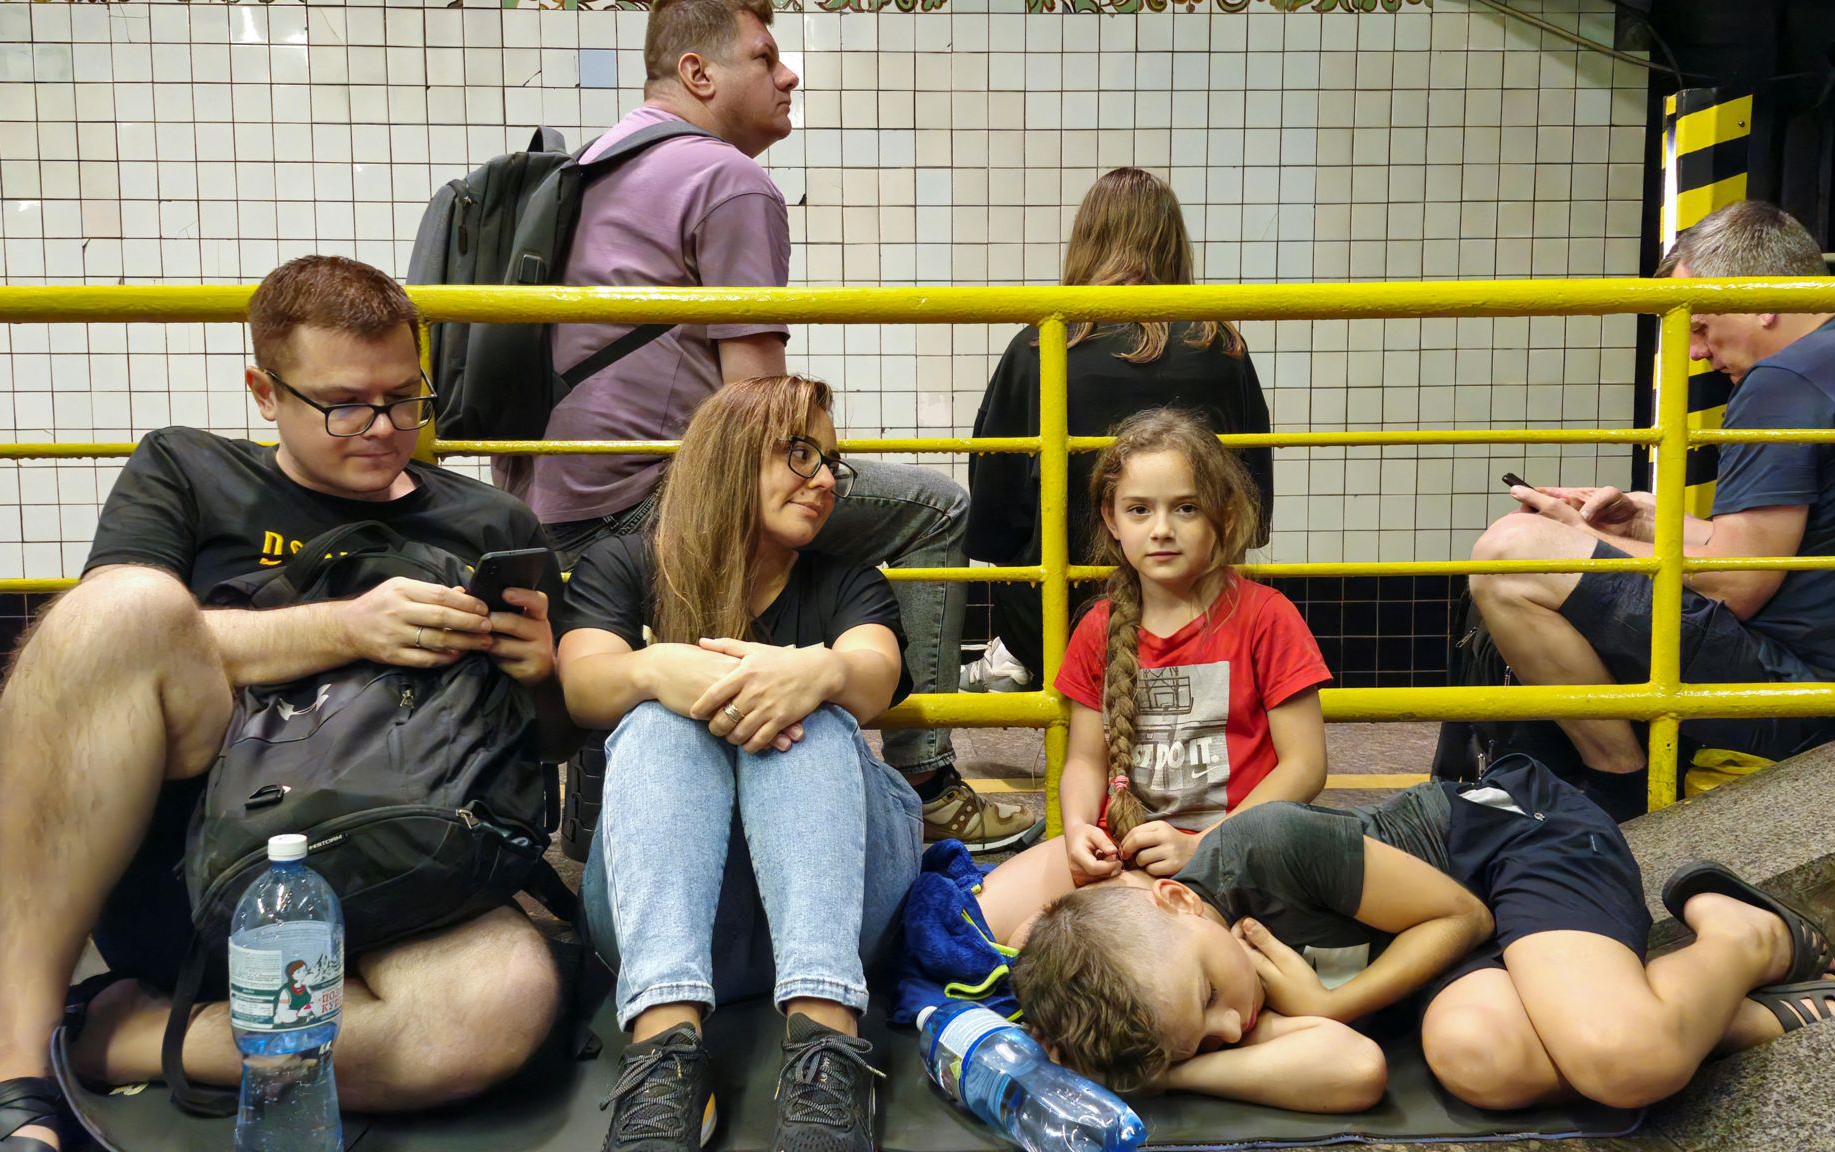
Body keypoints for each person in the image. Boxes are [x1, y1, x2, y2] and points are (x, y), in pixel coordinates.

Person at [0, 257, 572, 1150]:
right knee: (124, 605)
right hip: (196, 869)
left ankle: (102, 1037)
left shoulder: (491, 524)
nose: (384, 427)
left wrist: (539, 676)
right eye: (345, 403)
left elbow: (543, 750)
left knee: (499, 1008)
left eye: (405, 396)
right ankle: (9, 1062)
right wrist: (351, 628)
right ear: (264, 392)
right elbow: (105, 646)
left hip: (407, 875)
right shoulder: (190, 472)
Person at [496, 0, 1029, 852]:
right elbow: (761, 417)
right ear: (698, 75)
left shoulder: (593, 164)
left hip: (548, 502)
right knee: (934, 508)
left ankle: (610, 814)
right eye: (765, 57)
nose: (789, 76)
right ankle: (924, 777)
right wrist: (818, 469)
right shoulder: (728, 178)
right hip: (646, 498)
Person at [1005, 754, 1835, 1111]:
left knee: (1625, 1061)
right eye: (1200, 1040)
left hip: (1512, 849)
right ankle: (1731, 1018)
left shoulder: (1259, 849)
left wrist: (1334, 1001)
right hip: (1462, 957)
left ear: (1176, 901)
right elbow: (1352, 1070)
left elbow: (1458, 915)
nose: (1229, 1026)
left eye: (1206, 1006)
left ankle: (1739, 937)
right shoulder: (1198, 988)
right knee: (1476, 1058)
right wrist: (1174, 1059)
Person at [557, 374, 923, 1152]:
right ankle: (664, 1055)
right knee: (658, 723)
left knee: (816, 720)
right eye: (799, 453)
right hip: (671, 925)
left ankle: (827, 1041)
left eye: (830, 460)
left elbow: (878, 669)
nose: (825, 478)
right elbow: (584, 681)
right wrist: (659, 672)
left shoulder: (846, 581)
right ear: (728, 456)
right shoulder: (626, 564)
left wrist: (816, 673)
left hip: (832, 916)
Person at [1470, 200, 1835, 819]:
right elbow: (1789, 543)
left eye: (1700, 324)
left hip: (1808, 698)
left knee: (1510, 554)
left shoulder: (1784, 382)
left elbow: (1740, 583)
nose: (1696, 352)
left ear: (1758, 301)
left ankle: (1619, 785)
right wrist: (1641, 521)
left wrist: (1571, 538)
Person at [970, 409, 1330, 942]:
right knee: (975, 924)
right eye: (1139, 510)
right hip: (1125, 851)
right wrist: (1077, 831)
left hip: (1236, 854)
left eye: (1185, 508)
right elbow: (1085, 762)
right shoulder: (1099, 626)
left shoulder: (1266, 615)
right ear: (1112, 521)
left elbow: (1305, 768)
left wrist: (1204, 844)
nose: (1161, 530)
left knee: (1053, 940)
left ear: (1223, 517)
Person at [965, 167, 1273, 692]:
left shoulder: (1040, 347)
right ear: (1175, 243)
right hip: (1191, 604)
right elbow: (1255, 507)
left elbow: (994, 514)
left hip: (1061, 617)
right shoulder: (1222, 347)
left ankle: (1013, 659)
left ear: (1087, 240)